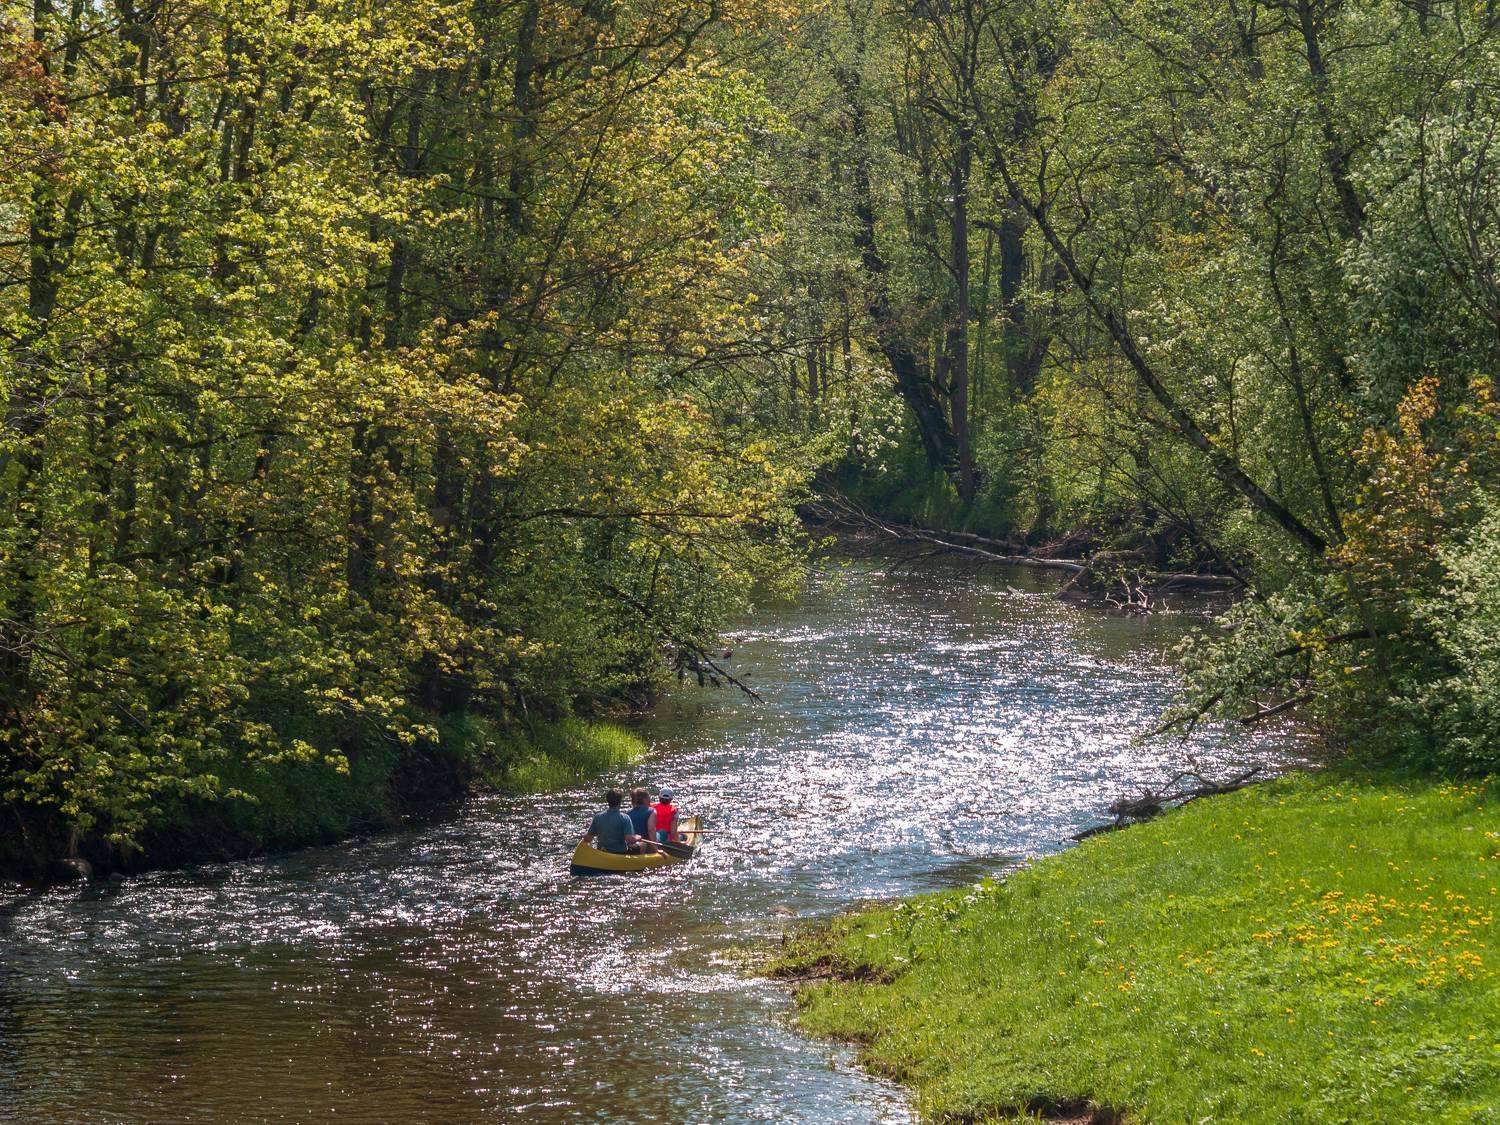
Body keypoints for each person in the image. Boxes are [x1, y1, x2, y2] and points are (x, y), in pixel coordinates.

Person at [581, 787, 643, 855]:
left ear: (607, 800)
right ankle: (639, 861)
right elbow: (629, 839)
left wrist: (584, 834)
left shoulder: (598, 817)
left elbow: (588, 839)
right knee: (643, 844)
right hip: (620, 853)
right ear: (620, 801)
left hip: (601, 852)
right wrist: (637, 837)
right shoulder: (625, 818)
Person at [626, 788, 663, 854]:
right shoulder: (651, 811)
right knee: (663, 833)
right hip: (647, 846)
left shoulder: (627, 814)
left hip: (633, 844)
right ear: (645, 799)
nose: (650, 800)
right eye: (649, 798)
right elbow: (651, 830)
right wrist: (655, 849)